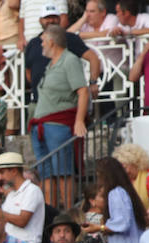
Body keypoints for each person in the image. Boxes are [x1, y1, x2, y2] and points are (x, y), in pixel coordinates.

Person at [32, 25, 91, 208]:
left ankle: (68, 210)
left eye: (43, 40)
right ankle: (51, 212)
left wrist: (79, 120)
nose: (41, 44)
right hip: (41, 125)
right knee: (47, 174)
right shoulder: (50, 64)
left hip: (58, 125)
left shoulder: (69, 60)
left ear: (51, 41)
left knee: (63, 172)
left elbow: (83, 91)